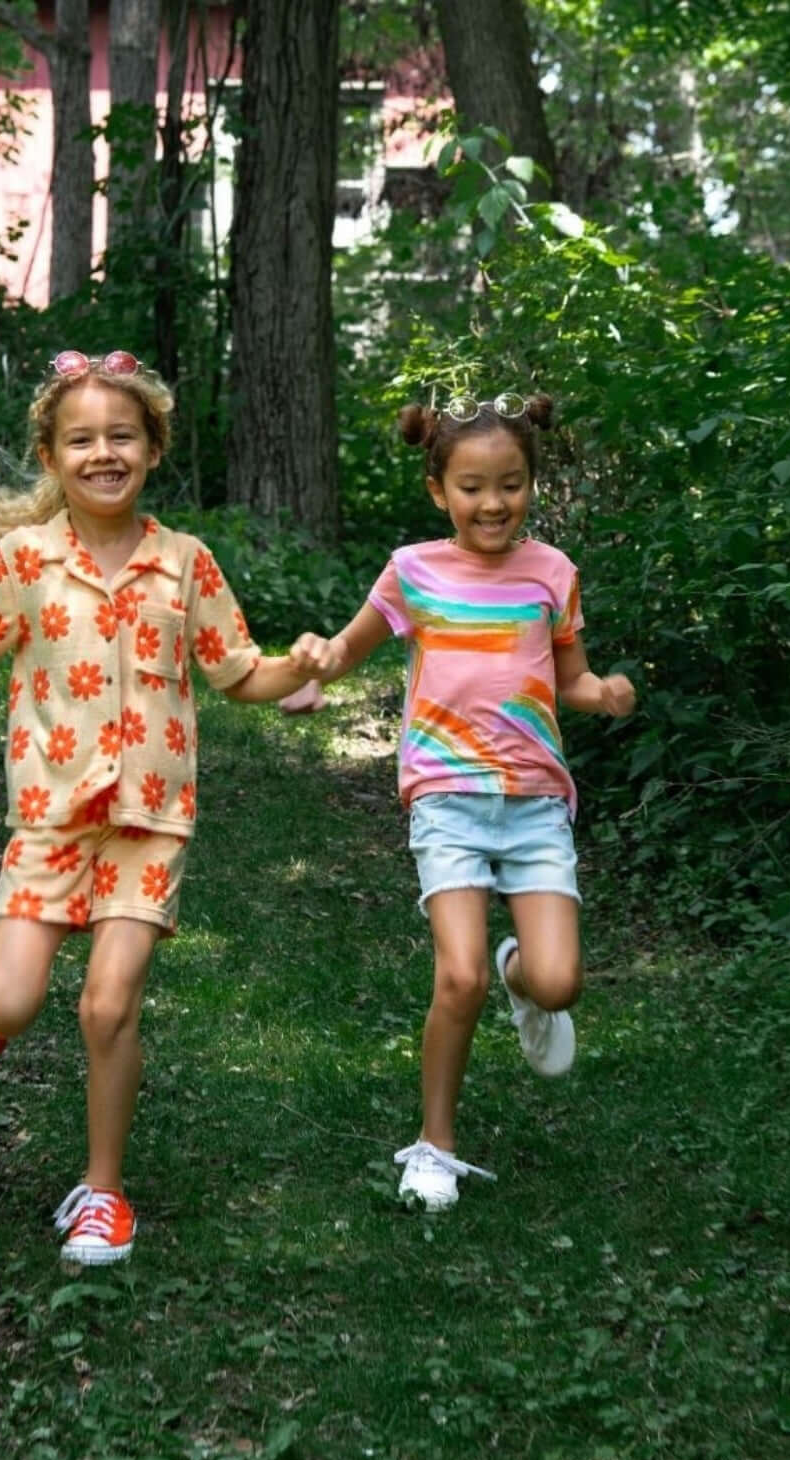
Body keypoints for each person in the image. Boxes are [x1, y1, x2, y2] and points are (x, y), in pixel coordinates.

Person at [0, 349, 313, 1268]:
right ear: (53, 457)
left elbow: (238, 671)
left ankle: (104, 1194)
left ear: (153, 447)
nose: (104, 452)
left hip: (150, 819)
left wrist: (302, 668)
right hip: (50, 818)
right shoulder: (25, 559)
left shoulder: (186, 563)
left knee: (107, 1007)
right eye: (82, 439)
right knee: (12, 997)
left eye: (122, 436)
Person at [288, 389, 636, 1211]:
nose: (493, 502)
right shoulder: (414, 571)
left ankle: (526, 978)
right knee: (459, 977)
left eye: (510, 484)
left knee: (558, 983)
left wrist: (603, 693)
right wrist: (311, 666)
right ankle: (434, 1145)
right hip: (446, 794)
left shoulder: (553, 572)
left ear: (530, 485)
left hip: (535, 801)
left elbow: (569, 674)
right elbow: (346, 649)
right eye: (473, 487)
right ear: (439, 491)